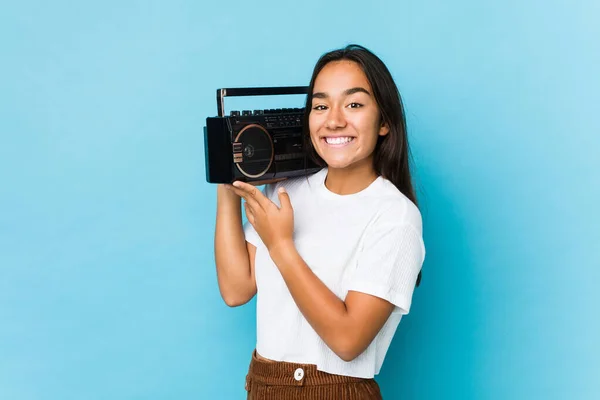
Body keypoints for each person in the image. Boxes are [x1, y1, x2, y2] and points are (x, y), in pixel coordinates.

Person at [214, 44, 425, 399]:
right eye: (321, 105)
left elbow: (347, 340)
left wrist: (282, 246)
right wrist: (226, 183)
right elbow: (236, 290)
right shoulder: (287, 189)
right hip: (263, 385)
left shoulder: (395, 216)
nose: (334, 119)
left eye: (354, 104)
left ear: (385, 122)